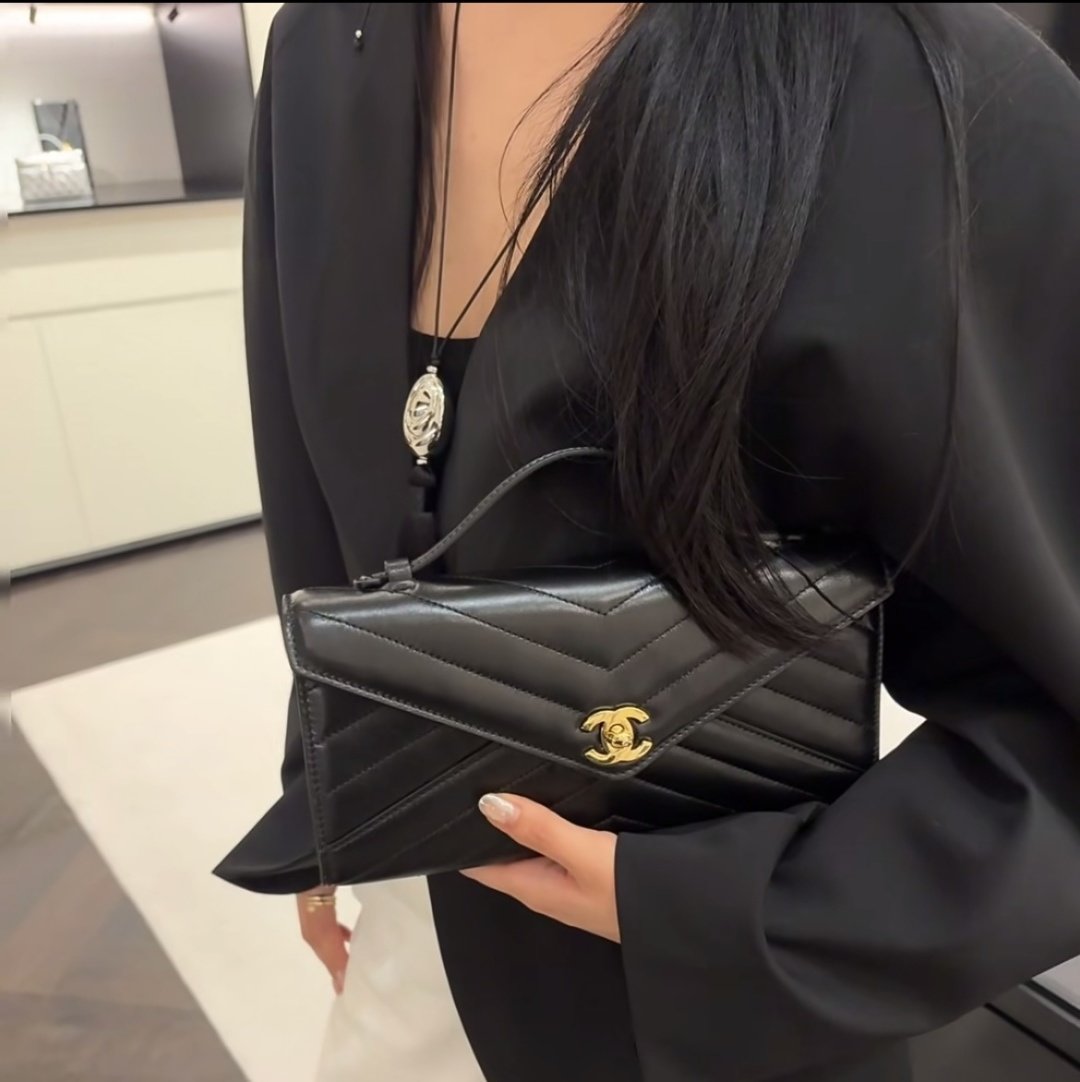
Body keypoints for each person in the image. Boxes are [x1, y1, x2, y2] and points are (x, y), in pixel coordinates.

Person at [221, 4, 1080, 1080]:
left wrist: (739, 913)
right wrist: (325, 773)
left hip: (698, 1017)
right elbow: (313, 484)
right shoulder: (321, 48)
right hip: (409, 941)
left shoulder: (924, 82)